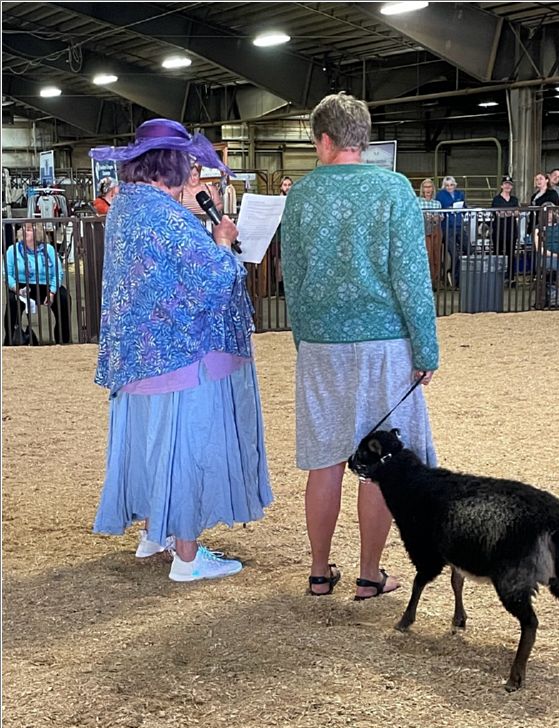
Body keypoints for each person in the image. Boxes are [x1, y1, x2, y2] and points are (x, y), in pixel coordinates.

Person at [89, 118, 273, 582]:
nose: (194, 175)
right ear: (168, 165)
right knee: (187, 447)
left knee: (155, 447)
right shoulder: (163, 216)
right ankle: (188, 557)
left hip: (140, 356)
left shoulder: (129, 206)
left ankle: (156, 533)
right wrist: (223, 242)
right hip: (180, 354)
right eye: (189, 166)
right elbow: (212, 279)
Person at [281, 93, 438, 600]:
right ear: (362, 139)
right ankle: (371, 574)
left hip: (323, 343)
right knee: (382, 460)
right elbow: (412, 275)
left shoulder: (301, 196)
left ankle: (320, 572)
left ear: (323, 140)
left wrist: (303, 337)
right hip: (386, 344)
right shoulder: (394, 190)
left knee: (325, 460)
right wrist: (426, 347)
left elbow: (294, 279)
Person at [3, 221, 71, 345]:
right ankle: (10, 339)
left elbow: (58, 272)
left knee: (64, 298)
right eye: (23, 228)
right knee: (12, 301)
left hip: (46, 285)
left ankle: (63, 339)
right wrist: (16, 289)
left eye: (29, 229)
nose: (24, 231)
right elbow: (7, 273)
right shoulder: (12, 250)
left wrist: (52, 291)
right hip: (22, 286)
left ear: (37, 232)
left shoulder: (49, 249)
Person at [435, 176, 466, 287]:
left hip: (459, 225)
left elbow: (465, 208)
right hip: (447, 227)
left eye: (451, 185)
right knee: (454, 253)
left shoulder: (460, 194)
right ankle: (453, 278)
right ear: (444, 186)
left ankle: (462, 276)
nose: (449, 187)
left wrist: (461, 210)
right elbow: (438, 209)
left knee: (469, 250)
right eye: (447, 185)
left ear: (455, 185)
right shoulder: (440, 195)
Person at [490, 175, 519, 275]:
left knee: (511, 253)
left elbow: (516, 213)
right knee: (497, 253)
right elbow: (498, 214)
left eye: (510, 185)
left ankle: (510, 276)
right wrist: (509, 212)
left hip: (511, 230)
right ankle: (496, 274)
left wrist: (506, 212)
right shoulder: (496, 199)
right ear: (501, 186)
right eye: (505, 184)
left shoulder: (514, 199)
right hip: (499, 230)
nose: (508, 186)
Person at [417, 178, 442, 289]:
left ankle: (435, 280)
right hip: (422, 230)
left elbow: (441, 217)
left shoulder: (437, 203)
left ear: (433, 189)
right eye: (426, 187)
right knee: (427, 255)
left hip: (435, 229)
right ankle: (425, 281)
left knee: (436, 254)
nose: (428, 189)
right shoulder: (417, 201)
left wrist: (437, 217)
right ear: (422, 189)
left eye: (430, 187)